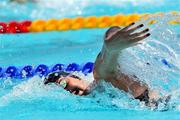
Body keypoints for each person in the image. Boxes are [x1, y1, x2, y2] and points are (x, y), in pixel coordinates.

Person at [44, 22, 169, 107]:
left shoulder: (100, 81)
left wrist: (109, 48)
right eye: (59, 91)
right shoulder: (94, 100)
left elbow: (105, 68)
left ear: (75, 76)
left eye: (63, 83)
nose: (66, 90)